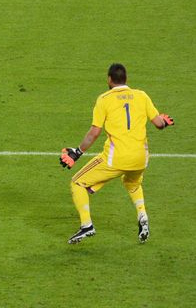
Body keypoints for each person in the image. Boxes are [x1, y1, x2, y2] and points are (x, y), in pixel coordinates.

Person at [59, 63, 174, 244]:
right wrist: (165, 122)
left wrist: (78, 152)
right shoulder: (141, 95)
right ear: (126, 79)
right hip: (141, 158)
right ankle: (142, 216)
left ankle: (87, 225)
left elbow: (95, 132)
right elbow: (159, 123)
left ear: (109, 80)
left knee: (77, 183)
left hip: (115, 159)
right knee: (132, 183)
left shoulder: (104, 99)